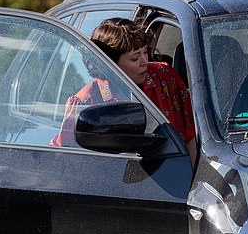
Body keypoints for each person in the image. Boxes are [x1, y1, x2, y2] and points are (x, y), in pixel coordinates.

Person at [51, 18, 196, 162]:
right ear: (110, 65)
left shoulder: (165, 77)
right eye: (135, 58)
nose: (145, 61)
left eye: (145, 52)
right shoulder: (86, 101)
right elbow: (66, 156)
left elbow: (191, 134)